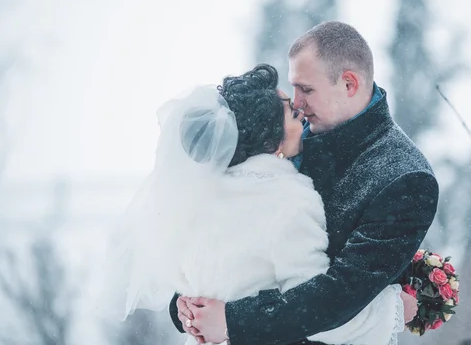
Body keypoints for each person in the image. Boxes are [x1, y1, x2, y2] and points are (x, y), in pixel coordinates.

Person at [172, 21, 440, 345]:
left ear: (349, 84)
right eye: (293, 88)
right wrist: (186, 306)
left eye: (307, 89)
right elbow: (208, 249)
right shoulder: (272, 137)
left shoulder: (405, 179)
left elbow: (338, 294)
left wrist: (231, 319)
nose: (296, 103)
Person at [107, 63, 413, 345]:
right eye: (292, 113)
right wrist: (395, 310)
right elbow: (313, 312)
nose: (302, 114)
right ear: (274, 140)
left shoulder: (195, 198)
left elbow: (190, 292)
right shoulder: (286, 200)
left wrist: (188, 311)